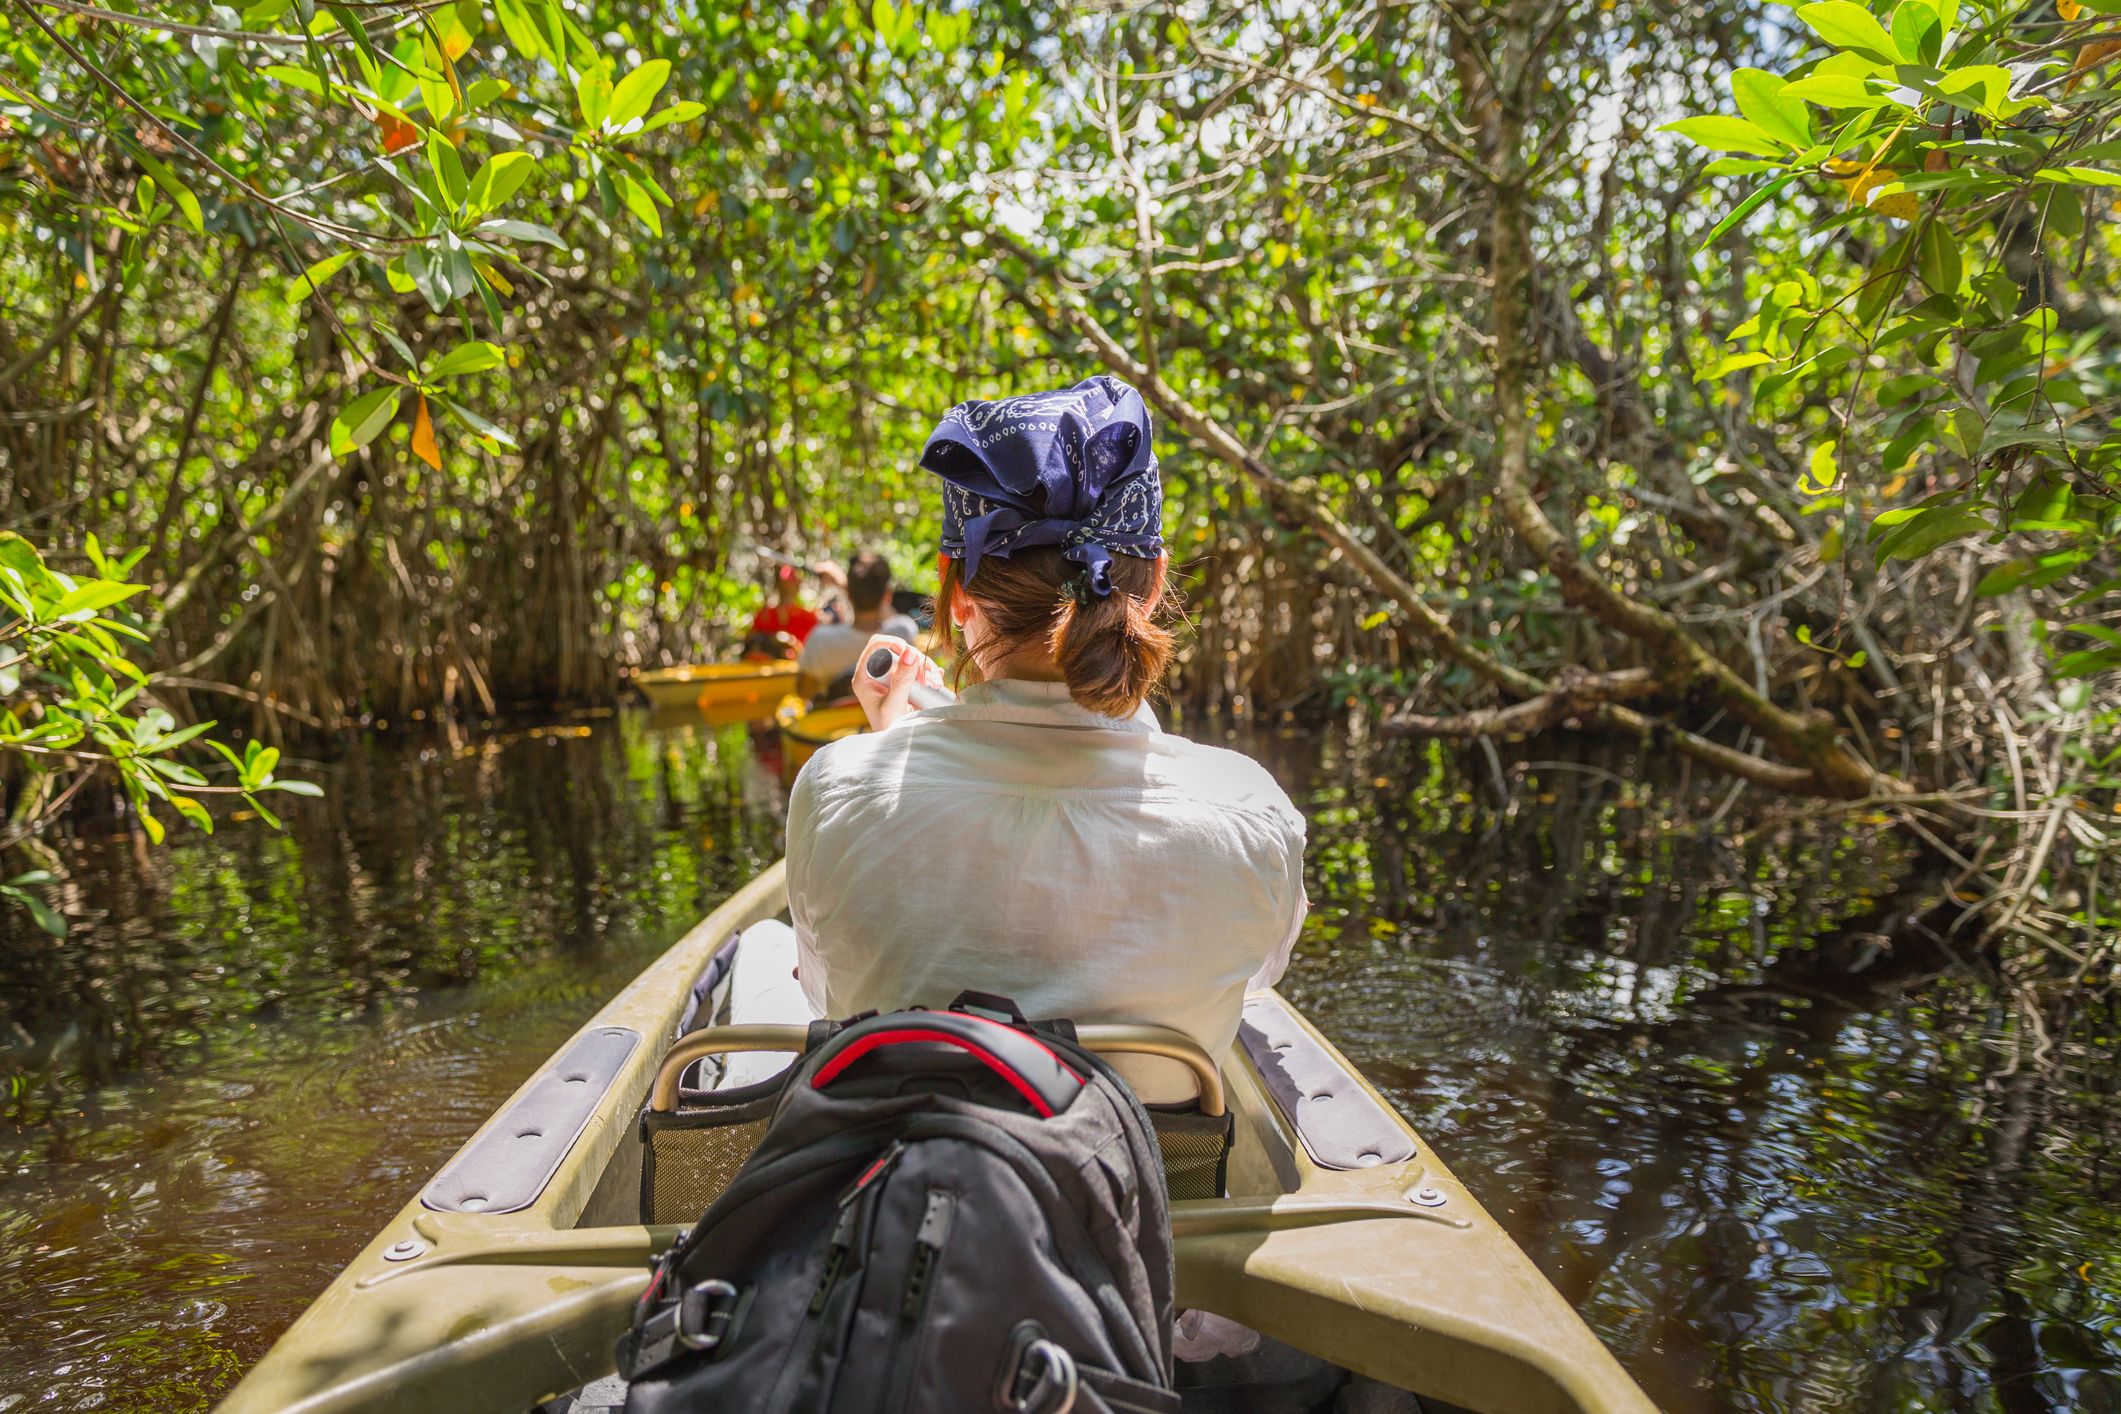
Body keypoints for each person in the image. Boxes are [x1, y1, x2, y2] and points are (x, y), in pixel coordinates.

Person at [783, 376, 1308, 1103]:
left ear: (955, 587)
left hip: (910, 1183)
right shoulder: (1249, 806)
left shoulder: (836, 784)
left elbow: (826, 995)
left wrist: (883, 751)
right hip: (1148, 1191)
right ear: (1152, 582)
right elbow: (1251, 980)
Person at [794, 551, 922, 698]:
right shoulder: (901, 635)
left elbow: (803, 692)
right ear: (887, 594)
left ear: (849, 593)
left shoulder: (820, 639)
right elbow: (891, 615)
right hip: (884, 721)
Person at [744, 565, 818, 656]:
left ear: (798, 586)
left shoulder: (808, 617)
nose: (786, 588)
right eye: (783, 584)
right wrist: (771, 638)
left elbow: (815, 651)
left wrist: (791, 642)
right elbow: (749, 643)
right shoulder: (765, 615)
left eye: (790, 583)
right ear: (778, 585)